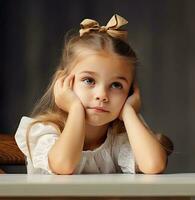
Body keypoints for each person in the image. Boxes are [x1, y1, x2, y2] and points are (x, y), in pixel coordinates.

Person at [15, 14, 173, 175]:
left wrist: (128, 112)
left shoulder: (118, 138)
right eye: (89, 80)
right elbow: (64, 165)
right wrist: (76, 108)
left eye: (116, 85)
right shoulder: (45, 131)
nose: (102, 95)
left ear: (130, 92)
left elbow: (153, 165)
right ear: (64, 83)